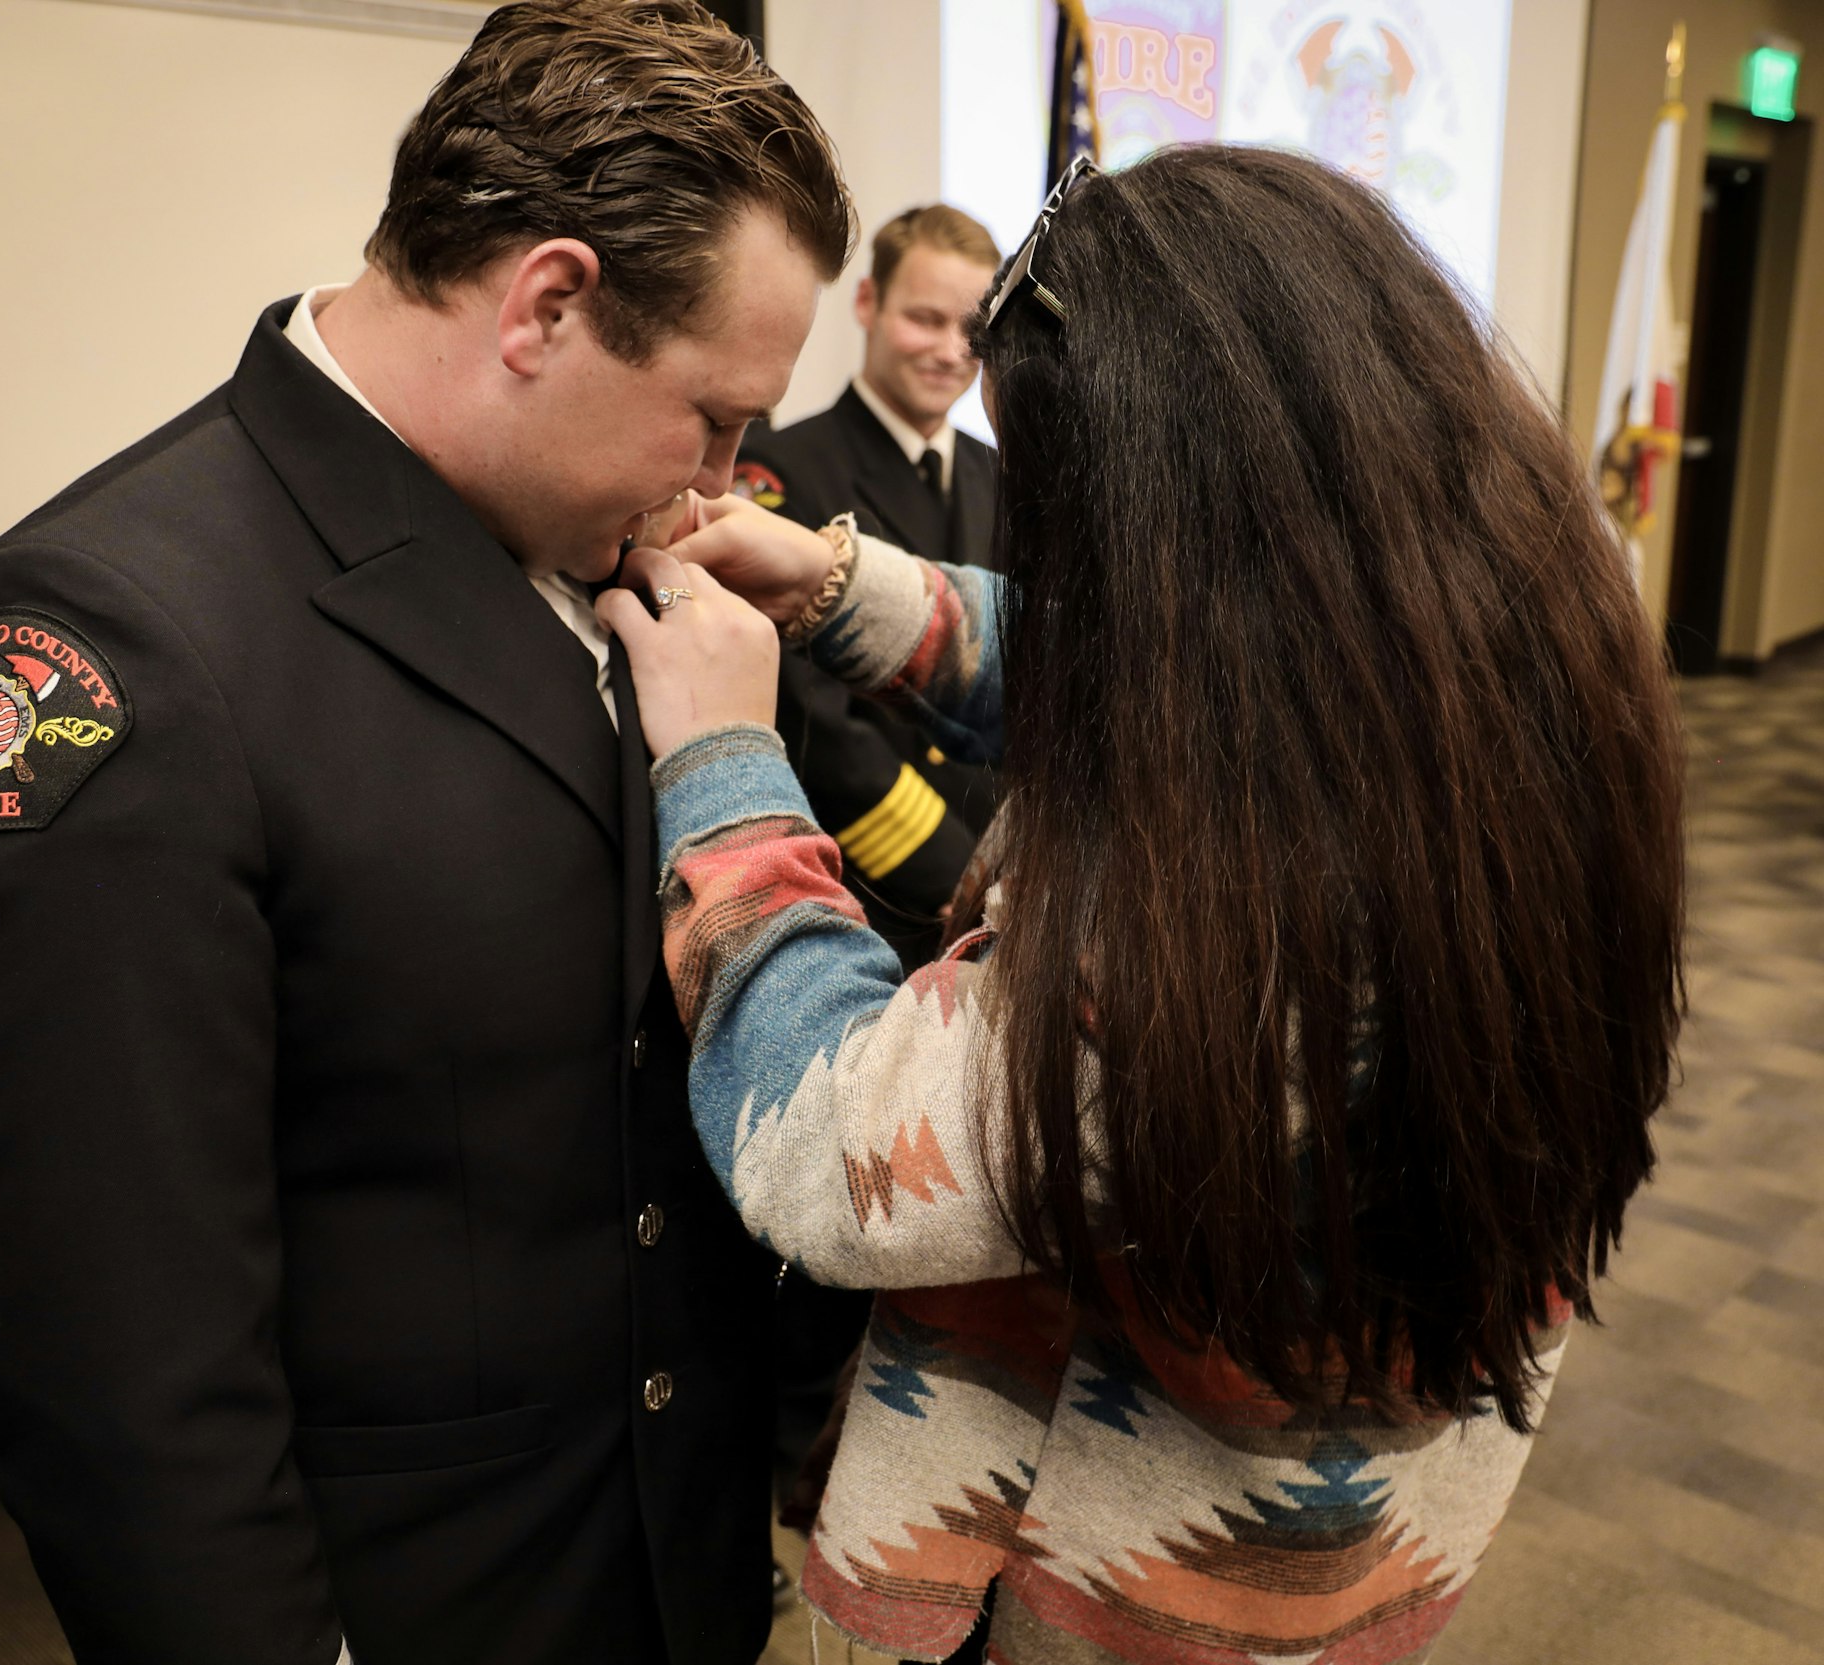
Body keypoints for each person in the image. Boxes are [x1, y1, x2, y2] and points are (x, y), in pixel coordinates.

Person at [597, 144, 1686, 1664]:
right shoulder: (1501, 682)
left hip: (1106, 1606)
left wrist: (724, 759)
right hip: (1360, 1552)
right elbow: (1151, 660)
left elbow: (829, 1147)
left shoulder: (1240, 928)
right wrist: (835, 581)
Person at [0, 6, 851, 1664]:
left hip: (658, 1562)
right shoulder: (107, 649)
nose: (732, 481)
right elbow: (117, 1382)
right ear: (547, 303)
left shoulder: (603, 555)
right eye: (714, 419)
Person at [738, 204, 1002, 970]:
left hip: (1001, 901)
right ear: (867, 304)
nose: (951, 351)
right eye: (925, 318)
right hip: (874, 902)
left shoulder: (1007, 478)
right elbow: (814, 717)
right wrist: (956, 873)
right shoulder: (783, 469)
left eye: (972, 330)